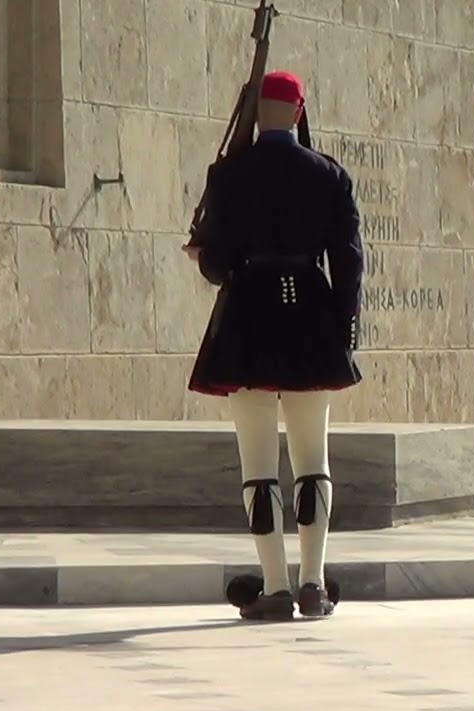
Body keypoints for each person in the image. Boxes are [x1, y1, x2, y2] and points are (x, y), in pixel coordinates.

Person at [186, 69, 364, 620]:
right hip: (310, 319)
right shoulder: (329, 175)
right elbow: (351, 262)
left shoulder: (229, 174)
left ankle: (275, 587)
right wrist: (341, 323)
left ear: (257, 113)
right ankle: (313, 584)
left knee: (258, 465)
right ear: (299, 111)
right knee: (314, 460)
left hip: (249, 323)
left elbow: (216, 263)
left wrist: (203, 258)